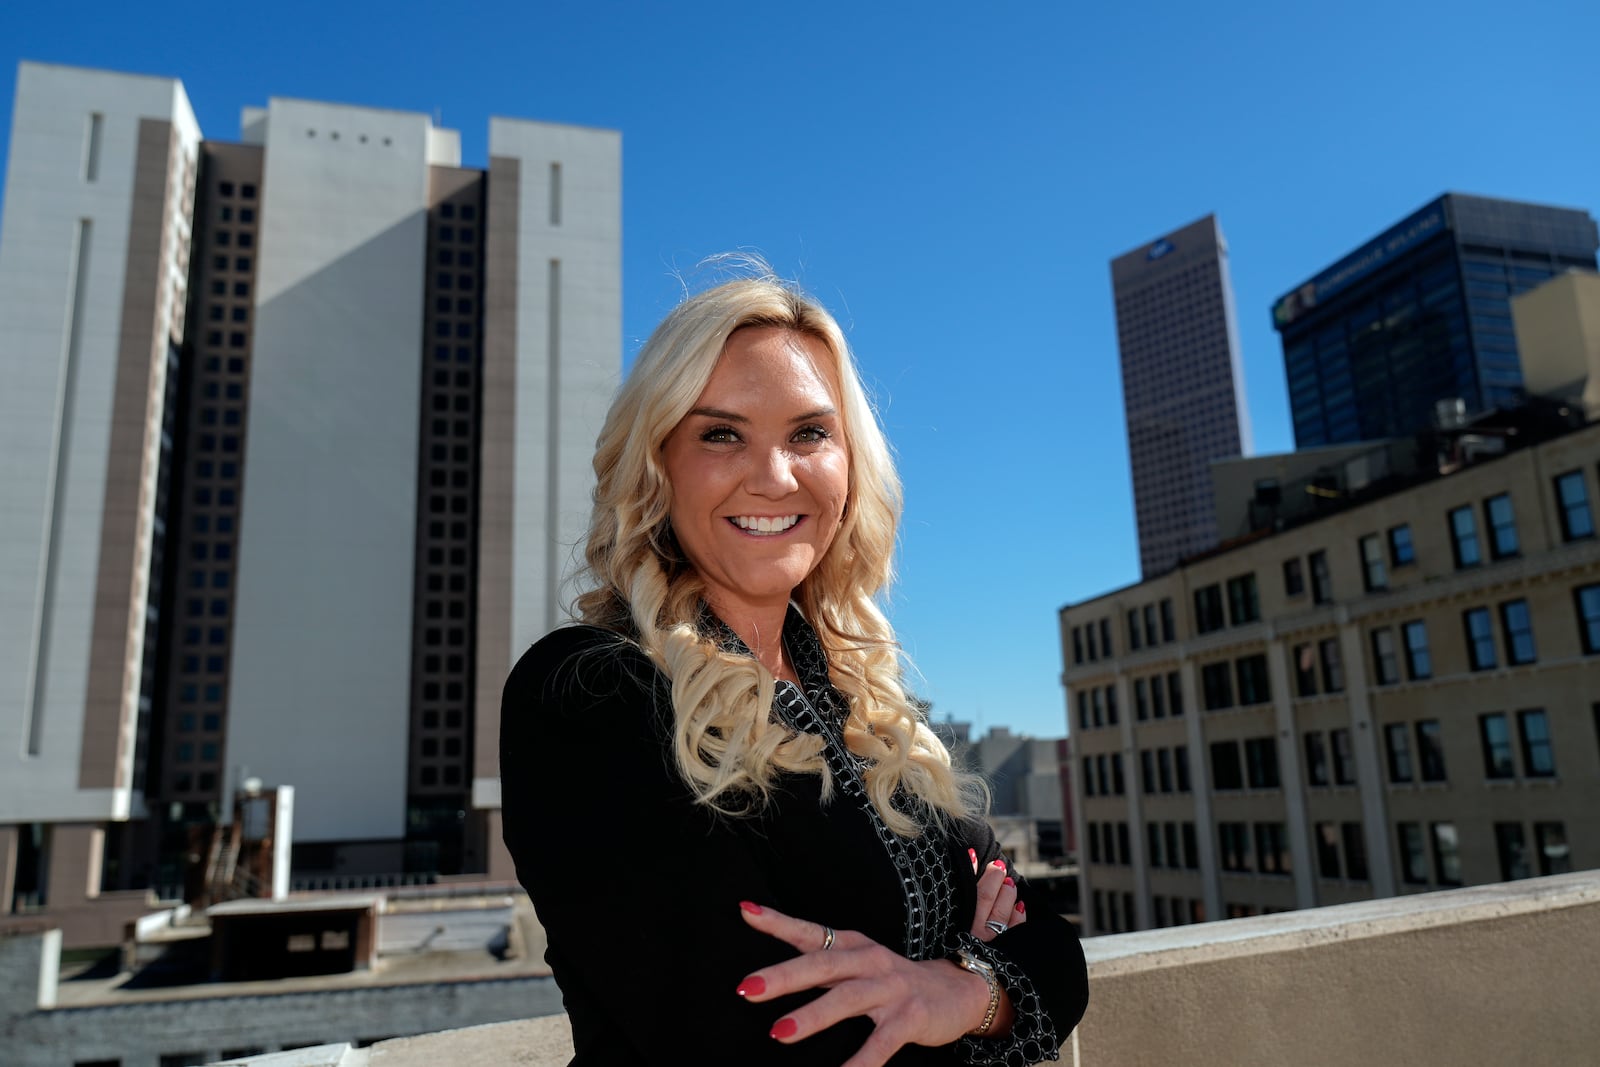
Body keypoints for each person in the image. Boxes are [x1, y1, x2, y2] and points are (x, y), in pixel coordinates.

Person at [500, 271, 1088, 1065]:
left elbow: (1051, 943)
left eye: (809, 433)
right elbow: (746, 1038)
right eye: (721, 434)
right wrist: (979, 982)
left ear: (850, 466)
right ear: (657, 464)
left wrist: (959, 991)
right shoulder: (589, 691)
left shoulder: (867, 702)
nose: (774, 476)